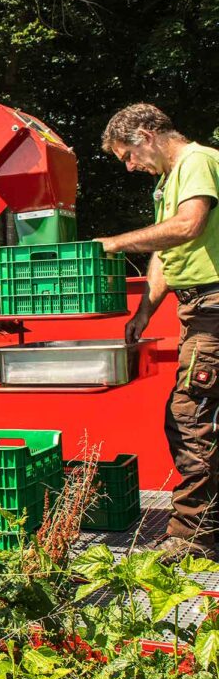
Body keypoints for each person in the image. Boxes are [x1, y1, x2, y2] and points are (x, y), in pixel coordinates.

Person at [97, 103, 219, 562]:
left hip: (213, 309)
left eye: (127, 155)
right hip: (199, 309)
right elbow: (167, 254)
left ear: (146, 135)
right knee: (197, 418)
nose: (130, 166)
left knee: (191, 420)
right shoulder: (169, 181)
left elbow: (188, 227)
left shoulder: (197, 161)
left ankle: (193, 538)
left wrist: (114, 243)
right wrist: (143, 313)